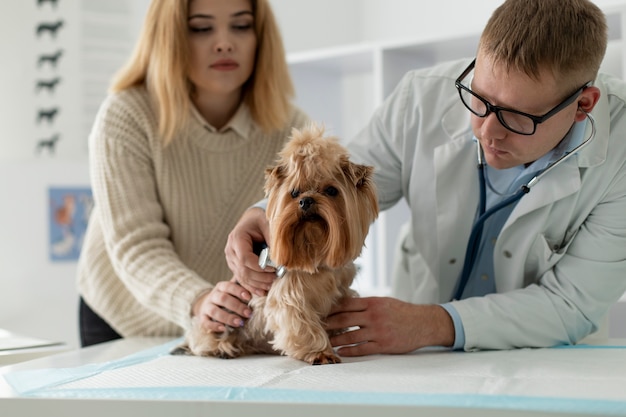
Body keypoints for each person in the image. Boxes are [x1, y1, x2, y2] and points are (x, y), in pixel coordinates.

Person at [224, 0, 626, 354]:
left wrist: (434, 323)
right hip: (418, 356)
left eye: (517, 117)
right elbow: (347, 183)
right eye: (481, 99)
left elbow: (571, 304)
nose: (487, 131)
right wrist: (264, 214)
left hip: (547, 356)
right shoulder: (421, 98)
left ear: (582, 106)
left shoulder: (621, 154)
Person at [77, 0, 308, 347]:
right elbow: (138, 246)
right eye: (201, 28)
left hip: (229, 320)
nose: (224, 42)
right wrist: (198, 300)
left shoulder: (292, 130)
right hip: (124, 317)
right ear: (169, 37)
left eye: (241, 26)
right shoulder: (126, 115)